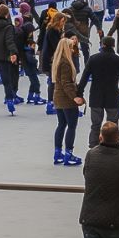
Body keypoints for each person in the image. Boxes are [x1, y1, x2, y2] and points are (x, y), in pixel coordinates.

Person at [78, 37, 119, 148]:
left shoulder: (93, 59)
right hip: (112, 95)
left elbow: (84, 77)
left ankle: (93, 145)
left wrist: (79, 93)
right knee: (113, 123)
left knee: (95, 124)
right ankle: (112, 144)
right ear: (113, 46)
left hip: (96, 95)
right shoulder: (118, 60)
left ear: (102, 45)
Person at [51, 36, 86, 166]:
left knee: (61, 124)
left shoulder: (57, 61)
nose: (73, 50)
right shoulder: (66, 63)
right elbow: (67, 83)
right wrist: (75, 97)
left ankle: (57, 152)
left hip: (58, 97)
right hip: (66, 99)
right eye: (71, 47)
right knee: (71, 126)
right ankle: (68, 153)